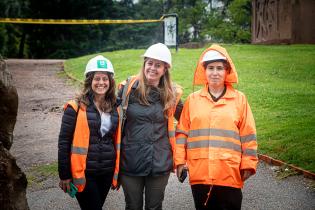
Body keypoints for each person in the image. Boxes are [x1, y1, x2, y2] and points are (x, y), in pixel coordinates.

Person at [175, 44, 258, 210]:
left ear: (227, 71)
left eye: (219, 68)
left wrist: (249, 163)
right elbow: (182, 133)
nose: (214, 72)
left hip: (229, 172)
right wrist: (179, 162)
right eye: (210, 68)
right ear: (204, 71)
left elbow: (248, 134)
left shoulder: (239, 100)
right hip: (200, 174)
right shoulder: (193, 100)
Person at [112, 43, 183, 210]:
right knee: (133, 206)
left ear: (165, 69)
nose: (152, 68)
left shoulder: (172, 95)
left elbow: (189, 121)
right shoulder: (127, 89)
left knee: (154, 207)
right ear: (144, 64)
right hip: (130, 161)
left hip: (159, 163)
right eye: (149, 63)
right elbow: (107, 112)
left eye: (158, 65)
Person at [58, 55, 118, 210]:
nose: (101, 83)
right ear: (89, 80)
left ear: (110, 82)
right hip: (84, 172)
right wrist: (64, 174)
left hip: (106, 170)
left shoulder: (115, 107)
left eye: (105, 79)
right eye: (97, 78)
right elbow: (64, 142)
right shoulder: (75, 107)